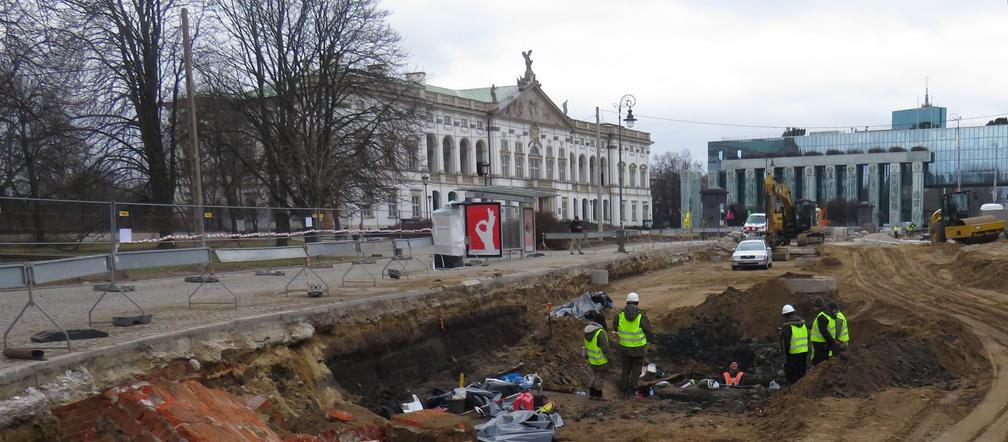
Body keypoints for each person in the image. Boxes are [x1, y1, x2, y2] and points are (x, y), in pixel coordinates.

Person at [615, 292, 652, 399]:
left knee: (626, 369)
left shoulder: (619, 316)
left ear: (626, 302)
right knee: (636, 370)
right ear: (637, 302)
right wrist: (647, 341)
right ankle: (632, 389)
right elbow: (648, 331)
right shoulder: (641, 317)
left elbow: (615, 328)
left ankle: (623, 388)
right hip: (639, 349)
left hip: (625, 348)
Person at [779, 304, 809, 384]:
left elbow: (786, 342)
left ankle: (794, 391)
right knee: (801, 372)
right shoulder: (802, 323)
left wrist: (785, 354)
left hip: (793, 353)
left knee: (793, 375)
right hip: (804, 351)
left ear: (785, 315)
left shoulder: (787, 325)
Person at [582, 322, 611, 400]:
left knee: (595, 375)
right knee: (600, 377)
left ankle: (592, 393)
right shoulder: (600, 333)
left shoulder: (586, 333)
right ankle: (597, 396)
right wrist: (610, 358)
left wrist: (586, 356)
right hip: (601, 360)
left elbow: (586, 346)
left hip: (592, 359)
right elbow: (605, 348)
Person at [809, 298, 838, 365]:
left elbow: (824, 331)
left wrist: (833, 341)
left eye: (815, 307)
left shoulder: (822, 315)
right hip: (827, 343)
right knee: (824, 361)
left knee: (818, 363)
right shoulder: (830, 316)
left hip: (820, 343)